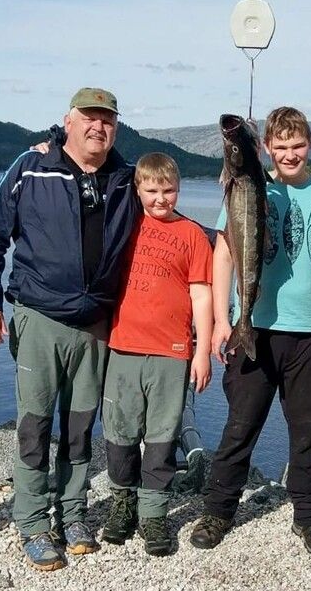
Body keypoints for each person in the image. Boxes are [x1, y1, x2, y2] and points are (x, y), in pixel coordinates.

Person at [0, 87, 141, 572]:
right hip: (39, 316)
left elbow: (165, 224)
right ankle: (32, 523)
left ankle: (73, 514)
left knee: (82, 426)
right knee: (35, 423)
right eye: (89, 118)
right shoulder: (31, 167)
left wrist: (227, 239)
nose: (98, 127)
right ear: (67, 121)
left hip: (95, 324)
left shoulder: (125, 179)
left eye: (107, 120)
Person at [191, 106, 311, 558]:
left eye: (297, 145)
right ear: (265, 148)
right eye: (280, 147)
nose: (289, 154)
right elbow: (222, 254)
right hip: (253, 329)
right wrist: (223, 319)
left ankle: (310, 519)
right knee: (240, 426)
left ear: (310, 145)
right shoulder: (247, 189)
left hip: (310, 332)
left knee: (307, 430)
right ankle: (218, 511)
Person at [99, 152, 214, 557]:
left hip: (172, 351)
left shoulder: (193, 235)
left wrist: (202, 352)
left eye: (168, 190)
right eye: (151, 190)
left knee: (163, 436)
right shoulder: (124, 226)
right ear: (138, 189)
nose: (161, 199)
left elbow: (202, 293)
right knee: (119, 432)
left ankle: (154, 513)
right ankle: (123, 503)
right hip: (123, 346)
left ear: (178, 189)